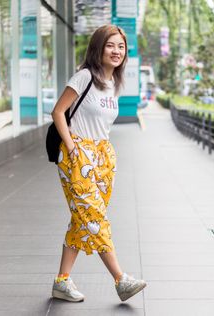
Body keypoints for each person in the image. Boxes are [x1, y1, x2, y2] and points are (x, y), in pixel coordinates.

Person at [50, 25, 146, 303]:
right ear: (98, 47)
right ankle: (121, 279)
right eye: (110, 46)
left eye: (121, 47)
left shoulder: (114, 83)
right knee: (94, 218)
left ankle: (62, 282)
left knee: (83, 219)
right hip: (77, 154)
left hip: (103, 156)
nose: (117, 51)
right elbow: (58, 111)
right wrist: (72, 147)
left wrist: (104, 155)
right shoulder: (83, 77)